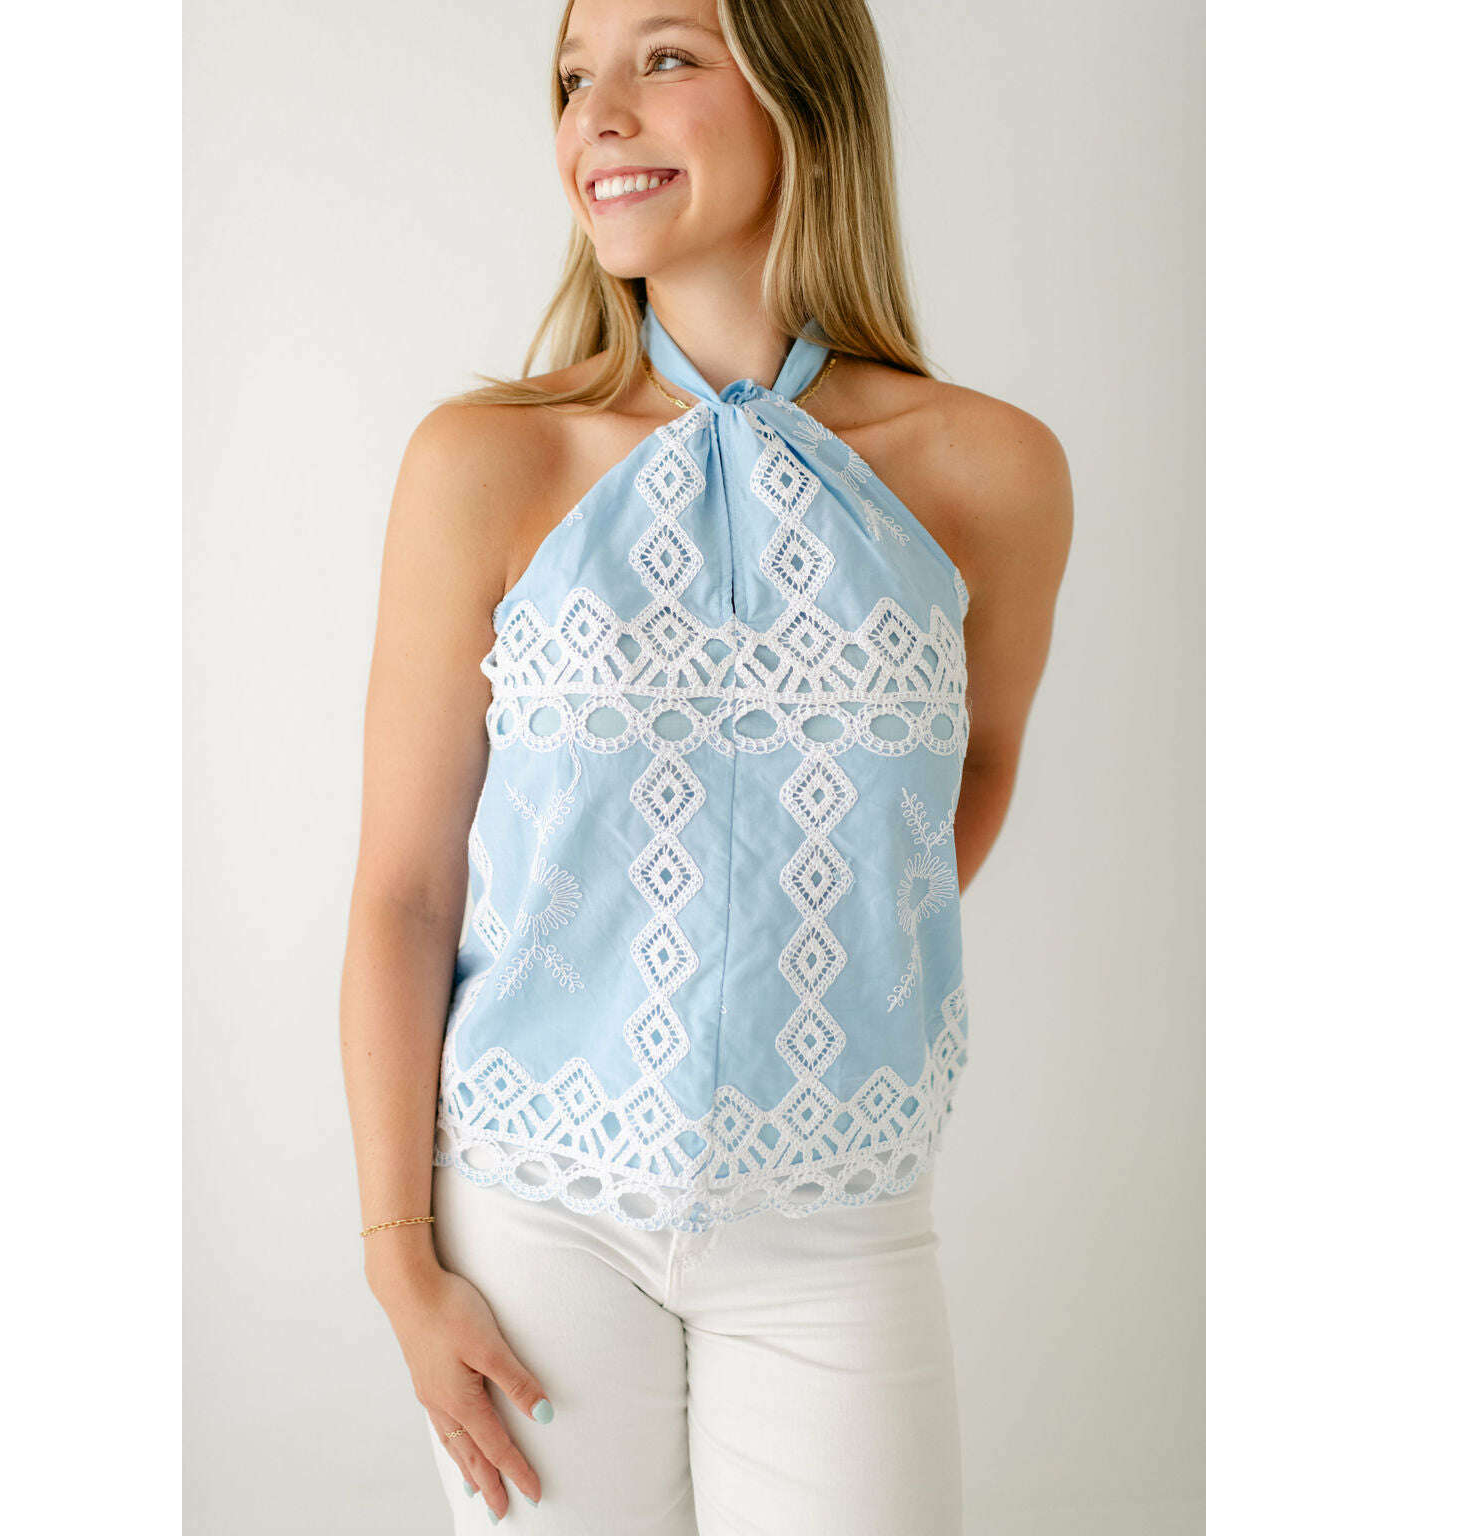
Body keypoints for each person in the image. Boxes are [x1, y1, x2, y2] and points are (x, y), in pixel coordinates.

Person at [339, 0, 1072, 1529]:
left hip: (841, 1221)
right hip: (533, 1213)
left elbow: (973, 769)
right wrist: (401, 1260)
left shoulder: (992, 472)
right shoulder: (486, 465)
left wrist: (818, 967)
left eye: (665, 56)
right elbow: (404, 891)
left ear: (804, 88)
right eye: (572, 78)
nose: (597, 116)